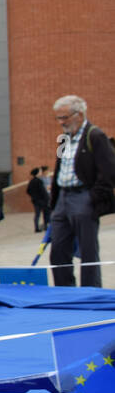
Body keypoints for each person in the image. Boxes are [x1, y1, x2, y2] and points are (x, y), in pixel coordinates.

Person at [48, 95, 115, 287]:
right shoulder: (63, 139)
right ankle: (64, 291)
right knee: (58, 250)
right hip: (62, 198)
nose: (61, 122)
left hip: (83, 196)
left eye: (65, 117)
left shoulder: (95, 136)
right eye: (58, 118)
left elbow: (109, 171)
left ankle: (91, 292)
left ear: (80, 114)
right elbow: (59, 166)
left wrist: (94, 197)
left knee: (88, 252)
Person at [26, 167, 50, 233]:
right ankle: (45, 226)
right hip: (42, 200)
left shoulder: (31, 181)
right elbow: (43, 191)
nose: (40, 173)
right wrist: (47, 198)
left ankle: (36, 227)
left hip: (35, 201)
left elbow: (28, 191)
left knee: (37, 214)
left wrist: (33, 196)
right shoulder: (39, 181)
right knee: (45, 213)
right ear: (37, 173)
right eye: (39, 172)